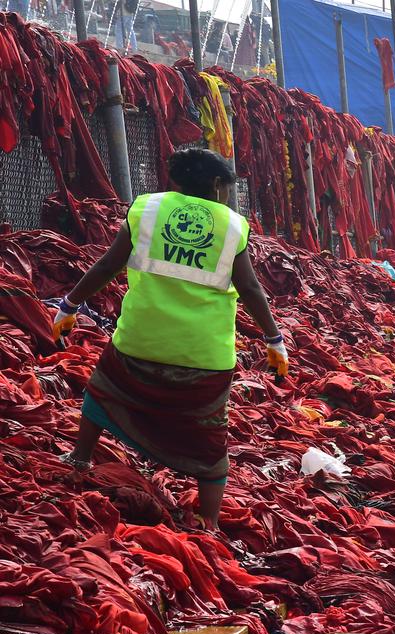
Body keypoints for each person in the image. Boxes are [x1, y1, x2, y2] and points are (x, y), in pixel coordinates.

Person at [53, 148, 286, 530]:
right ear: (216, 185)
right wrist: (273, 340)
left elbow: (109, 264)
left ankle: (80, 458)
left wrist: (69, 305)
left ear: (175, 181)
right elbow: (251, 289)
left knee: (103, 391)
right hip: (204, 355)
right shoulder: (231, 225)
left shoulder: (147, 209)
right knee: (209, 436)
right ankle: (209, 522)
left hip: (140, 340)